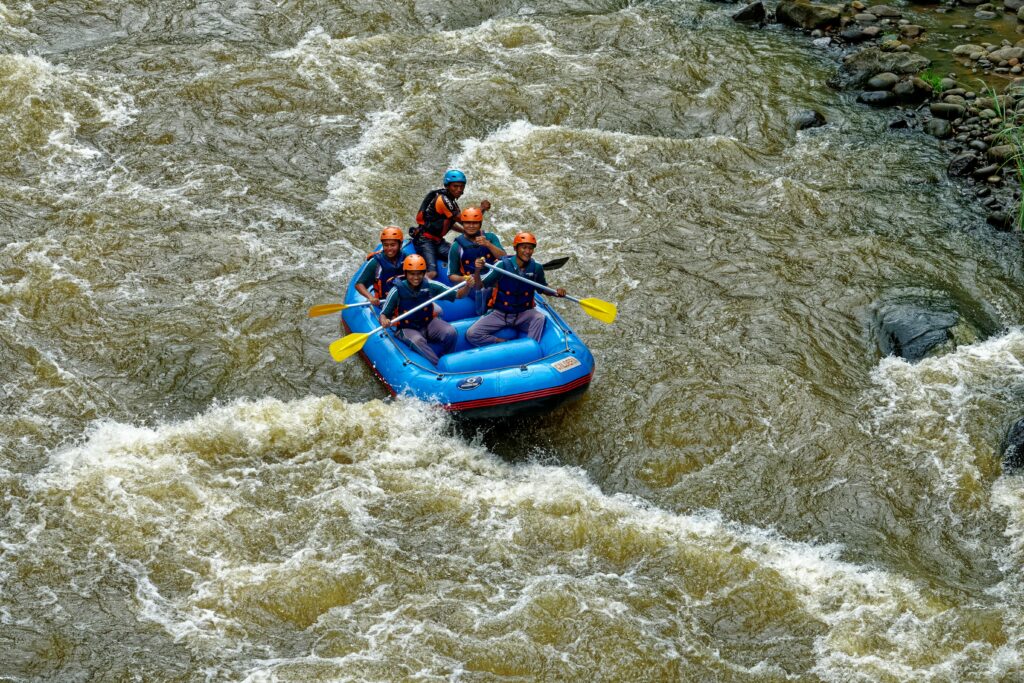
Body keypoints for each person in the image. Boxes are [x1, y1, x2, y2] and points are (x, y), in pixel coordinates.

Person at [467, 232, 565, 346]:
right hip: (501, 313)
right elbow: (479, 286)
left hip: (523, 313)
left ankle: (530, 347)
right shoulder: (502, 266)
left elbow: (542, 288)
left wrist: (556, 292)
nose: (527, 252)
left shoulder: (536, 268)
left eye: (530, 248)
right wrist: (477, 270)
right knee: (471, 333)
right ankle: (502, 342)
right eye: (524, 247)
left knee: (540, 317)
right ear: (515, 248)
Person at [379, 254, 471, 366]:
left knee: (450, 332)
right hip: (406, 327)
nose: (416, 277)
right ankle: (437, 365)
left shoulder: (431, 285)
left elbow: (458, 295)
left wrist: (468, 286)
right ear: (406, 273)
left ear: (424, 273)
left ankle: (447, 357)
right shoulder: (396, 290)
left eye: (419, 274)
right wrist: (384, 321)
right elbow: (383, 314)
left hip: (428, 322)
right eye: (412, 274)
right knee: (418, 341)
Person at [412, 169, 491, 279]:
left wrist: (465, 231)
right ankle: (417, 291)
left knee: (460, 256)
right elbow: (465, 220)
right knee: (432, 273)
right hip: (425, 240)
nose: (459, 189)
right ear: (447, 186)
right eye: (455, 186)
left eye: (461, 186)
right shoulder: (443, 200)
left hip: (438, 241)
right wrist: (482, 209)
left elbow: (449, 223)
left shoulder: (451, 200)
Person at [446, 206, 506, 315]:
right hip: (474, 284)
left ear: (480, 224)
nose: (471, 226)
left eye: (475, 223)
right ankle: (486, 312)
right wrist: (466, 279)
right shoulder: (456, 247)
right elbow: (451, 276)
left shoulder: (490, 237)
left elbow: (503, 257)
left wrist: (488, 244)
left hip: (493, 279)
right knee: (483, 290)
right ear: (463, 224)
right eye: (467, 223)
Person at [354, 226, 405, 307]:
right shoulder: (376, 262)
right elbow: (359, 284)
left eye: (393, 245)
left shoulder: (407, 258)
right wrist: (371, 297)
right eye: (385, 245)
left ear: (400, 245)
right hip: (384, 301)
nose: (389, 249)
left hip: (404, 297)